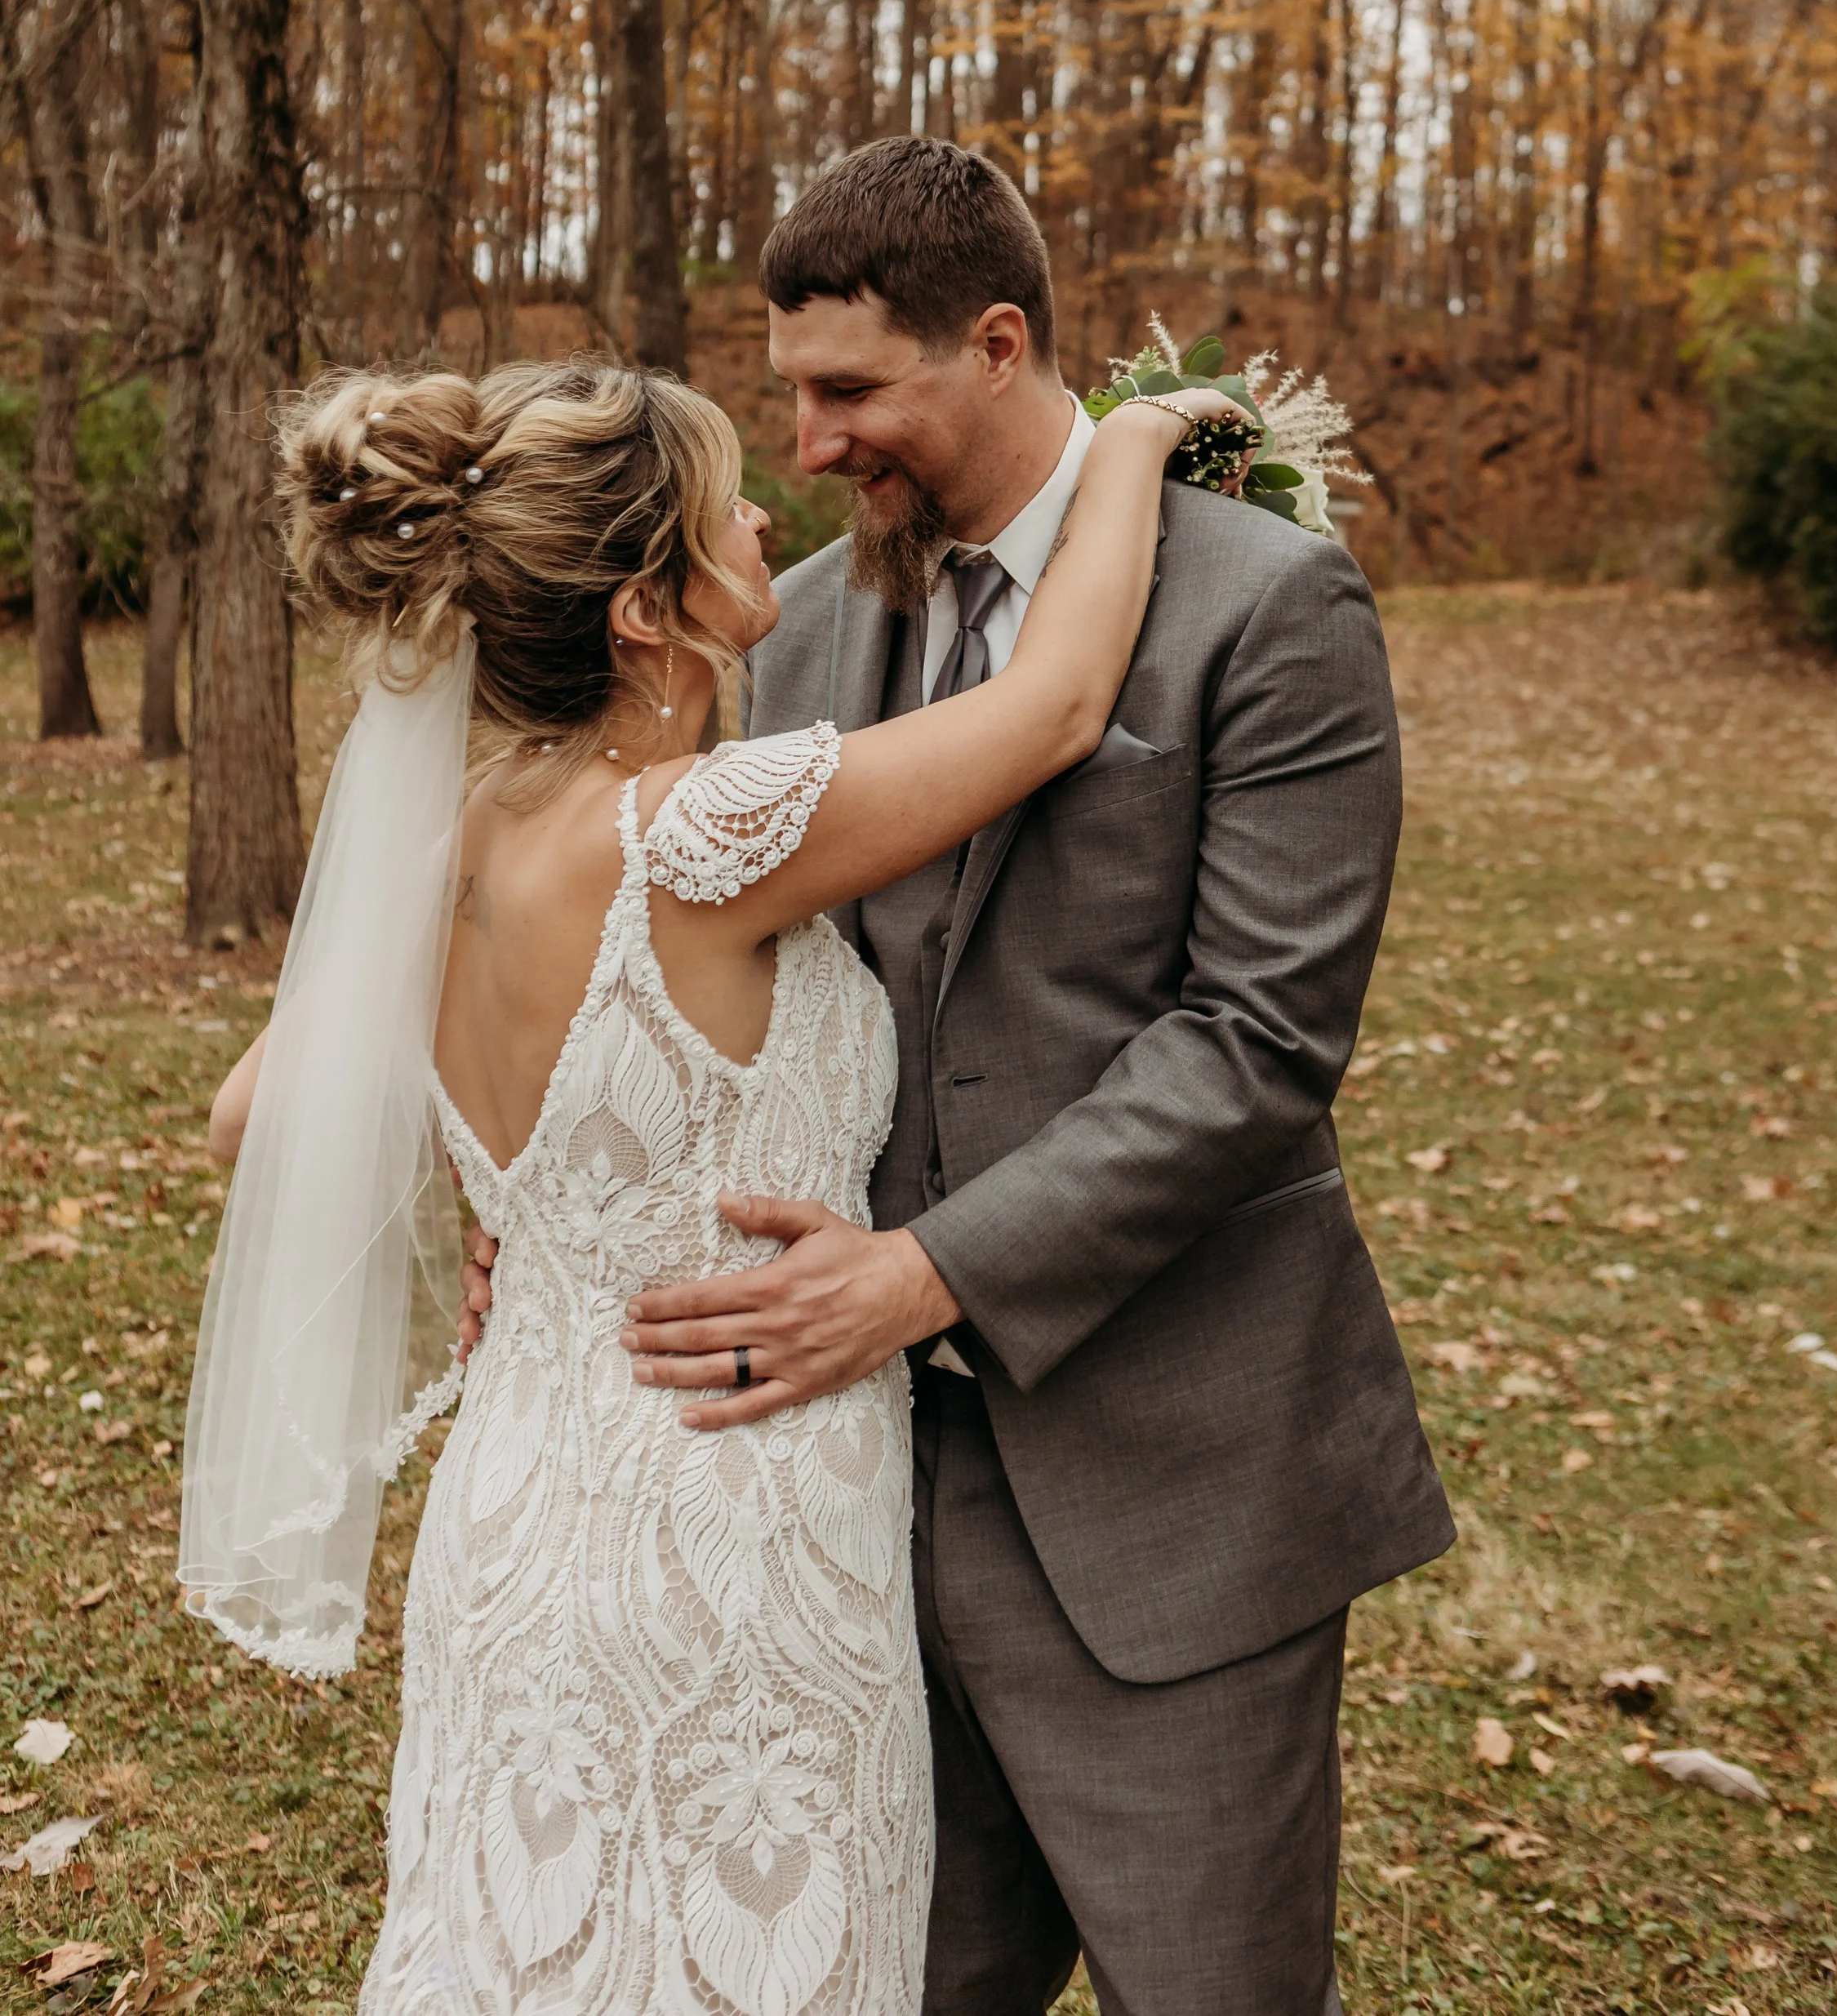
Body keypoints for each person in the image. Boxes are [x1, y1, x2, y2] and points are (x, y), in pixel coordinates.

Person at [467, 140, 1454, 2016]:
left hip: (1171, 1488)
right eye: (788, 396)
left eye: (850, 392)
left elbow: (1257, 1042)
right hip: (832, 1527)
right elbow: (670, 946)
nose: (812, 445)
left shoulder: (1267, 605)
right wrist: (526, 1194)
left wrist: (919, 1278)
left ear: (996, 345)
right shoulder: (805, 624)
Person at [183, 349, 1237, 2016]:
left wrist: (525, 1206)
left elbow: (255, 1117)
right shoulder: (698, 825)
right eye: (716, 500)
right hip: (732, 1529)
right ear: (641, 615)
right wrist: (1143, 434)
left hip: (516, 1531)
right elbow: (1049, 709)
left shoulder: (455, 844)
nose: (760, 510)